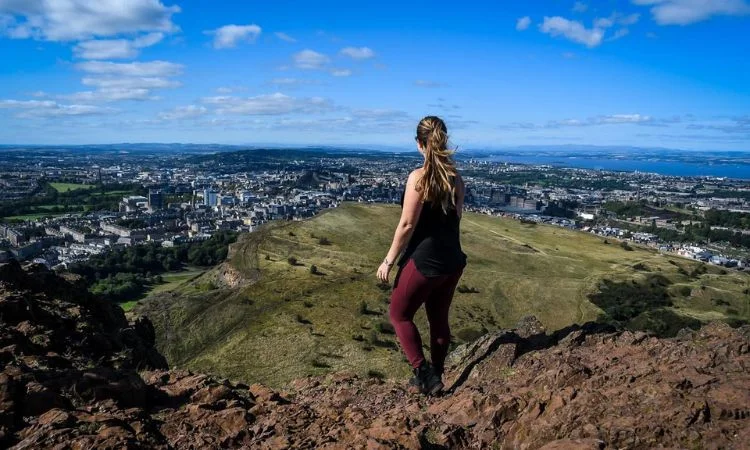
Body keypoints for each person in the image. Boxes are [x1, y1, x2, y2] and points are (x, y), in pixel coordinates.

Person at [376, 116, 467, 396]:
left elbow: (406, 225)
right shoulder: (456, 178)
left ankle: (424, 375)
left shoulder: (418, 177)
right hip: (453, 260)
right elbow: (457, 218)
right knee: (438, 318)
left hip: (425, 261)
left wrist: (389, 261)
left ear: (419, 144)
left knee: (399, 315)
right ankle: (437, 375)